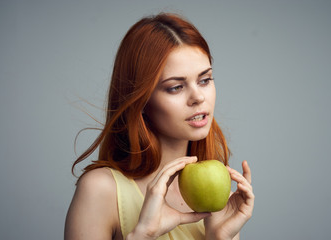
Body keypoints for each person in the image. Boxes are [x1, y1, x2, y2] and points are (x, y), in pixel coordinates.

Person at [64, 13, 254, 240]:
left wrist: (219, 238)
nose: (198, 97)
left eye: (205, 80)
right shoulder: (100, 190)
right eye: (175, 87)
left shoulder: (219, 198)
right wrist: (143, 234)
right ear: (142, 100)